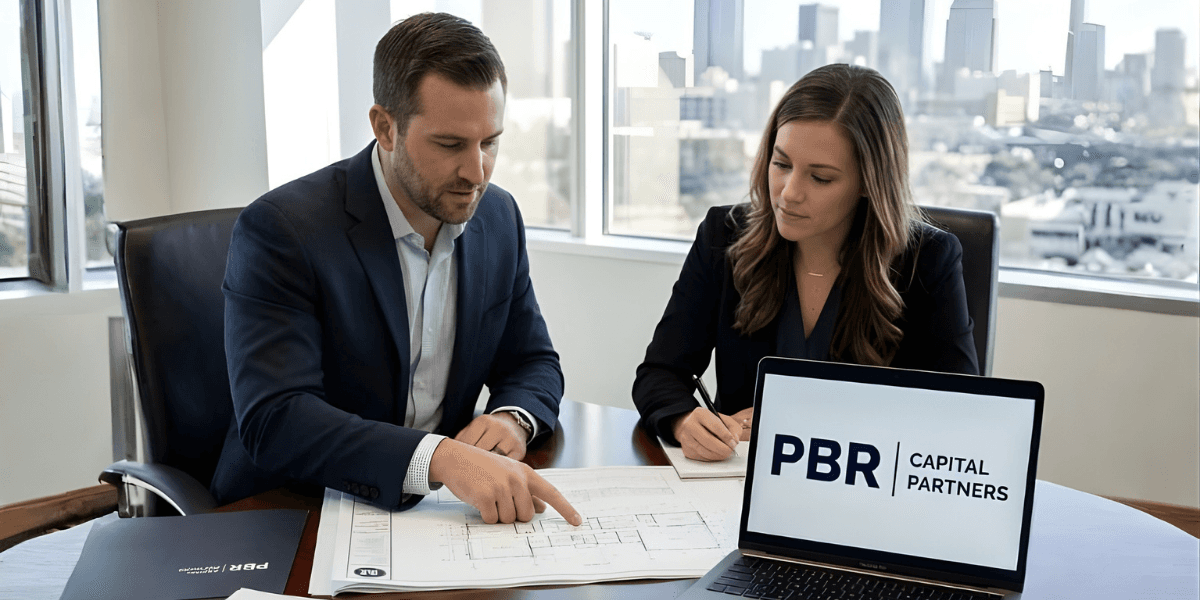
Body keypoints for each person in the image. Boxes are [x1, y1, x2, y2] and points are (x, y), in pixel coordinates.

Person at [213, 12, 581, 527]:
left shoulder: (498, 217)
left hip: (435, 514)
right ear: (385, 127)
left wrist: (513, 418)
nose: (476, 173)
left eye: (490, 142)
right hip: (293, 508)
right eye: (450, 145)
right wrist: (440, 457)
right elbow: (278, 419)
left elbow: (532, 359)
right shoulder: (282, 230)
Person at [633, 64, 978, 461]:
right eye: (781, 165)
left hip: (866, 487)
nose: (788, 193)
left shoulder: (928, 260)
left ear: (870, 183)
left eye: (821, 178)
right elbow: (658, 373)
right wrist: (683, 420)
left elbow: (959, 411)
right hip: (739, 483)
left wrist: (795, 425)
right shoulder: (722, 236)